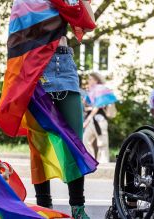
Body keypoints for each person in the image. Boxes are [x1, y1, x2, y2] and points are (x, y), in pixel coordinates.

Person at [34, 1, 95, 218]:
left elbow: (89, 23)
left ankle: (78, 207)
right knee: (40, 144)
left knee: (75, 142)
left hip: (64, 64)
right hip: (37, 63)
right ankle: (44, 207)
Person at [83, 73, 112, 164]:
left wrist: (87, 120)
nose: (89, 81)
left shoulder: (101, 90)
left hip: (99, 119)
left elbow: (98, 107)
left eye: (91, 79)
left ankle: (103, 163)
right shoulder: (91, 91)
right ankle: (90, 161)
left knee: (102, 142)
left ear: (96, 80)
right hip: (92, 119)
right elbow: (85, 105)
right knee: (85, 139)